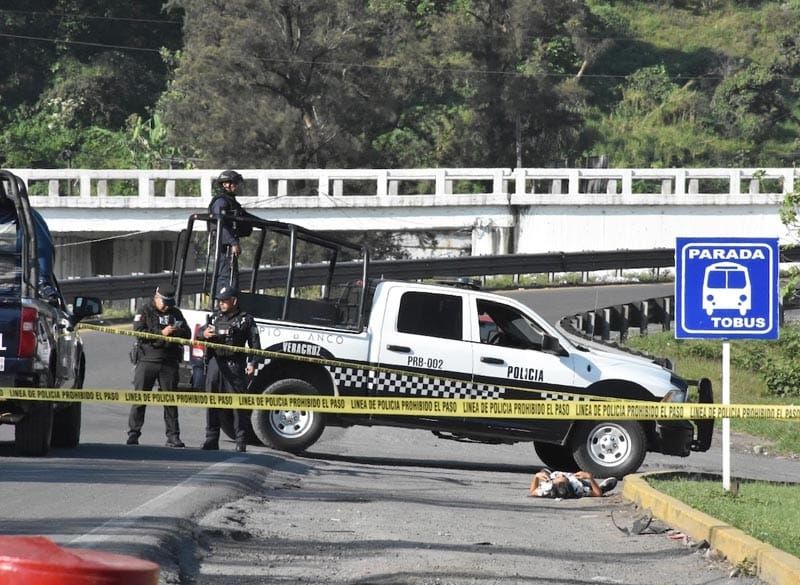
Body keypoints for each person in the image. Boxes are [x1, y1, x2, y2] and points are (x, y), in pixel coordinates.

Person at [126, 283, 191, 447]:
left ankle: (173, 436)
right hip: (148, 358)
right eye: (164, 302)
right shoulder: (145, 311)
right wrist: (161, 334)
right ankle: (133, 434)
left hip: (169, 360)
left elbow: (188, 333)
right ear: (156, 297)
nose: (167, 307)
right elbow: (138, 332)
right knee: (140, 398)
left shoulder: (175, 313)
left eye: (169, 303)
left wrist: (176, 331)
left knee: (170, 399)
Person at [201, 285, 261, 452]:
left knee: (237, 405)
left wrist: (253, 363)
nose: (221, 304)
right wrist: (204, 334)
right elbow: (199, 333)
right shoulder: (214, 317)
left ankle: (240, 441)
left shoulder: (245, 319)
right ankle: (211, 439)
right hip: (215, 363)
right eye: (219, 301)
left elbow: (255, 344)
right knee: (212, 402)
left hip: (235, 365)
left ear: (234, 301)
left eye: (225, 301)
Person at [208, 169, 254, 295]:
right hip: (223, 249)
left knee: (232, 277)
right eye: (234, 183)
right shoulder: (220, 202)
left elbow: (247, 217)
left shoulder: (232, 203)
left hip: (229, 249)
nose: (236, 186)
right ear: (225, 184)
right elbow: (220, 225)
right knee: (226, 278)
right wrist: (233, 243)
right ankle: (221, 305)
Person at [529, 468, 618, 499]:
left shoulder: (547, 487)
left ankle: (546, 473)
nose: (562, 474)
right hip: (578, 480)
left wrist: (536, 477)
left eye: (558, 478)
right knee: (594, 489)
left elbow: (532, 491)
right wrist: (590, 478)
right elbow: (597, 494)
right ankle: (601, 487)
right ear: (569, 482)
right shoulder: (577, 487)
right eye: (563, 477)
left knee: (543, 472)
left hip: (550, 476)